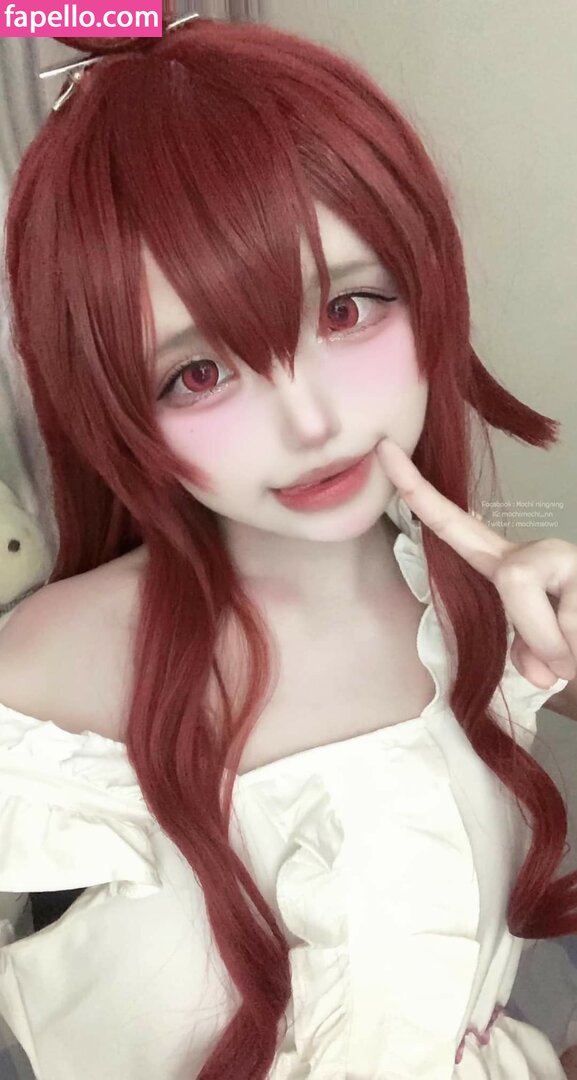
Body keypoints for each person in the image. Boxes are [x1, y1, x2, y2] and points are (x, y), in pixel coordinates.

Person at [0, 14, 576, 1079]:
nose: (312, 423)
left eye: (348, 309)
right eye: (198, 373)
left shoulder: (470, 599)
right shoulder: (54, 671)